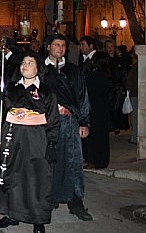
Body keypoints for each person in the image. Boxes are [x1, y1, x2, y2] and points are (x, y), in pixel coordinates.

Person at [0, 51, 59, 233]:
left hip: (36, 137)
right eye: (23, 62)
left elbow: (53, 119)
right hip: (13, 134)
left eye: (30, 62)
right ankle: (11, 214)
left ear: (38, 67)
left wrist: (51, 143)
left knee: (36, 176)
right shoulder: (12, 88)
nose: (25, 65)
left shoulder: (45, 90)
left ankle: (37, 218)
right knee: (12, 173)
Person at [42, 34, 92, 221]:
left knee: (73, 161)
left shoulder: (73, 71)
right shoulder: (41, 70)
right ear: (49, 47)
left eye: (63, 45)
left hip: (70, 123)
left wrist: (84, 122)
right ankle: (48, 198)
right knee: (49, 161)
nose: (60, 48)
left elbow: (82, 96)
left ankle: (75, 200)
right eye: (56, 45)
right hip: (48, 124)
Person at [82, 51, 111, 169]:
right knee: (103, 136)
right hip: (104, 108)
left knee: (94, 136)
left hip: (94, 108)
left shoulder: (94, 76)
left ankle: (93, 160)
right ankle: (102, 160)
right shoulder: (107, 75)